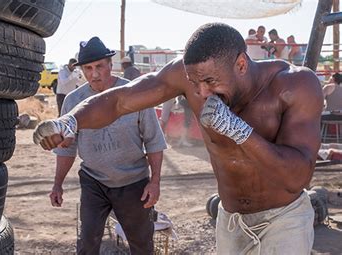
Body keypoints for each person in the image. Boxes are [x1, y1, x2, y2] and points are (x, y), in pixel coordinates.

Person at [34, 23, 322, 254]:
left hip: (283, 219)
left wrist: (242, 134)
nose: (202, 93)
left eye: (210, 82)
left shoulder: (294, 84)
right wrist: (70, 121)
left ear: (242, 65)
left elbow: (297, 177)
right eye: (195, 83)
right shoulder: (190, 77)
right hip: (231, 219)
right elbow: (121, 101)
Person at [47, 36, 167, 254]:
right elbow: (67, 147)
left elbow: (153, 141)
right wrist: (57, 184)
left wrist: (155, 181)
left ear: (111, 65)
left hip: (133, 183)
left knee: (141, 244)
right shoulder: (73, 101)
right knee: (88, 241)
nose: (94, 73)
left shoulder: (134, 94)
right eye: (88, 68)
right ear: (81, 70)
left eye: (100, 66)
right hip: (94, 181)